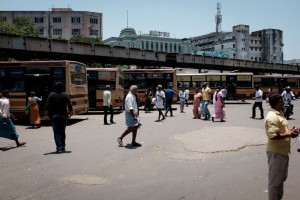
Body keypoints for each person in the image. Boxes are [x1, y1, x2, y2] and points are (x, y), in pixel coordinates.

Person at [265, 93, 299, 200]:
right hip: (276, 153)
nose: (284, 101)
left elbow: (281, 132)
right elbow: (273, 135)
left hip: (283, 152)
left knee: (281, 179)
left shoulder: (279, 114)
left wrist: (291, 131)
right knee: (274, 182)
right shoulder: (272, 117)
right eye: (282, 99)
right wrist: (289, 134)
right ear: (279, 101)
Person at [45, 82, 73, 153]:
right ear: (62, 87)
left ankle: (59, 147)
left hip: (54, 116)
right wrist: (70, 114)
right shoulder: (65, 95)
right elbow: (70, 105)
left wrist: (46, 115)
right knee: (62, 132)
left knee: (56, 132)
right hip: (63, 116)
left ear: (55, 88)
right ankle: (63, 146)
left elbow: (47, 106)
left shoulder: (51, 95)